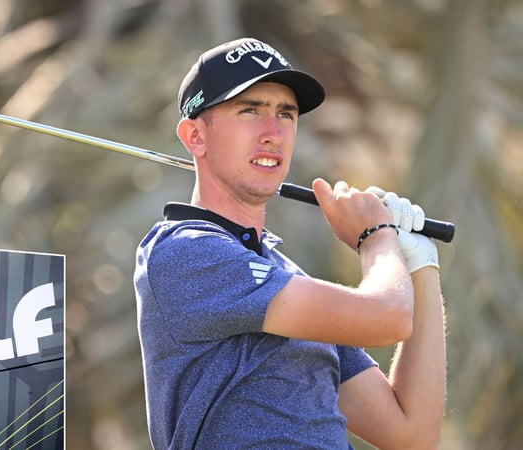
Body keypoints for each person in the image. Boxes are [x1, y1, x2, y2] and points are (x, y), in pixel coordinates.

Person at [134, 37, 446, 449]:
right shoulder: (186, 251)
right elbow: (387, 317)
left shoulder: (287, 278)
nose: (273, 133)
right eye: (250, 110)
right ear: (195, 136)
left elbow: (410, 434)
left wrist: (420, 264)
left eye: (286, 114)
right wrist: (376, 237)